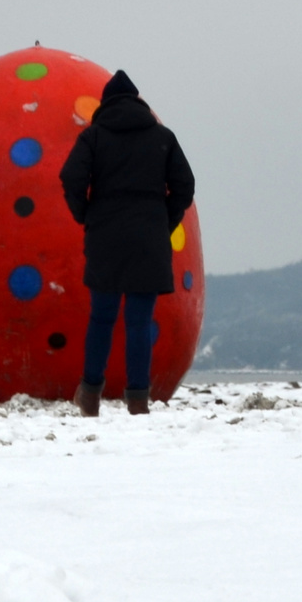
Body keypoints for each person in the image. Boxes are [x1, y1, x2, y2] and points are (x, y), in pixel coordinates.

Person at [57, 70, 195, 416]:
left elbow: (71, 176)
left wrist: (85, 214)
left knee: (101, 317)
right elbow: (185, 186)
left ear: (106, 103)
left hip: (105, 234)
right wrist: (165, 221)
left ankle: (90, 394)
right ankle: (137, 399)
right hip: (149, 237)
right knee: (138, 320)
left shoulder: (94, 137)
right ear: (137, 102)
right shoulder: (162, 137)